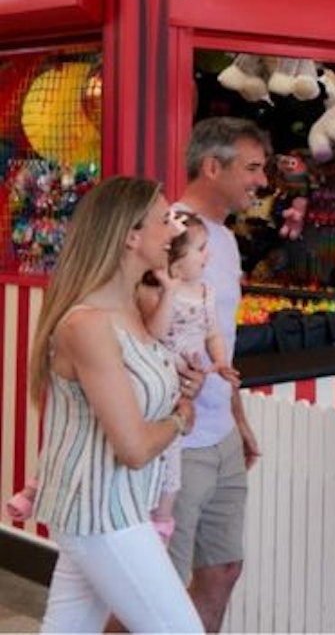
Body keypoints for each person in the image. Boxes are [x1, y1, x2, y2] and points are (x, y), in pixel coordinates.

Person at [27, 176, 204, 633]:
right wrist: (181, 419)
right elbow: (133, 447)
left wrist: (182, 388)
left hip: (109, 509)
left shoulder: (130, 311)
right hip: (102, 513)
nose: (175, 231)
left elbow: (143, 399)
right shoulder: (87, 324)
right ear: (130, 236)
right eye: (165, 220)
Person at [169, 117, 268, 631]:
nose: (262, 181)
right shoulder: (164, 233)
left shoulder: (225, 241)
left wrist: (238, 417)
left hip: (221, 434)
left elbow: (218, 339)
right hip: (175, 441)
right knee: (157, 586)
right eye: (252, 168)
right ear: (212, 166)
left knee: (224, 569)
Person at [138, 213, 229, 542]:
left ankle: (161, 520)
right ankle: (155, 519)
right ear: (175, 263)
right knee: (152, 452)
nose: (209, 256)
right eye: (201, 248)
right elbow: (155, 332)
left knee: (170, 458)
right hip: (161, 382)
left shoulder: (207, 294)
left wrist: (220, 363)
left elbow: (213, 334)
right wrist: (170, 293)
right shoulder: (156, 294)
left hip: (185, 389)